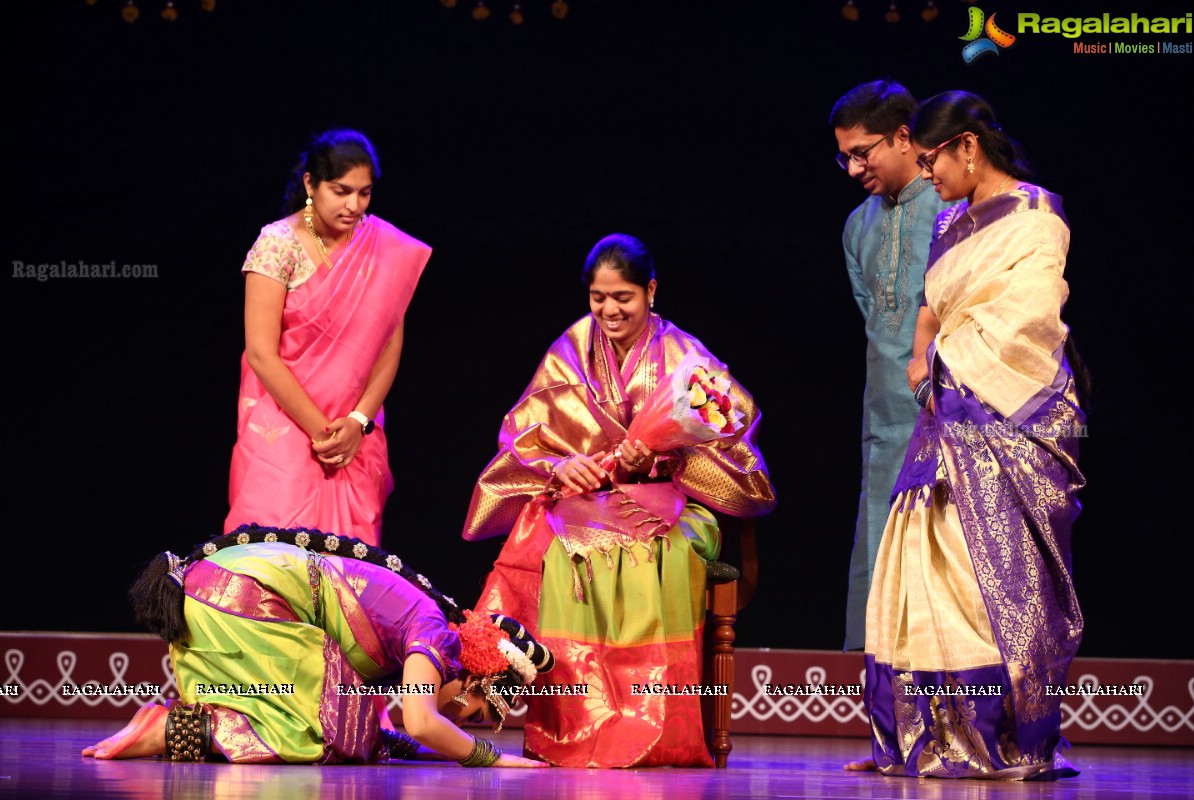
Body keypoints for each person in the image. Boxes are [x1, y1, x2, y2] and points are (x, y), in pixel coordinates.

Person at [462, 233, 776, 768]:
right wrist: (562, 465)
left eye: (623, 298)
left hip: (675, 504)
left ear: (651, 291)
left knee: (656, 554)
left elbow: (731, 439)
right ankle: (572, 718)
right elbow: (524, 432)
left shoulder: (683, 354)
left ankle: (655, 725)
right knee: (556, 545)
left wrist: (659, 459)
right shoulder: (572, 347)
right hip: (590, 501)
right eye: (598, 298)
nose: (609, 310)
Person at [850, 91, 1086, 780]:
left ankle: (995, 736)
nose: (928, 176)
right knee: (920, 568)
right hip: (945, 415)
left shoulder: (1038, 217)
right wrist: (922, 356)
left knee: (990, 583)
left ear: (968, 148)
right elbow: (932, 302)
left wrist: (952, 365)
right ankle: (927, 735)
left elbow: (1030, 320)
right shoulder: (951, 221)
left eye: (932, 161)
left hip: (1014, 417)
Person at [82, 524, 551, 767]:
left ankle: (176, 724)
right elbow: (421, 723)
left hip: (214, 593)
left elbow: (387, 735)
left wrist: (439, 747)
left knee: (350, 733)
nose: (458, 721)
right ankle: (166, 731)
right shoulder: (433, 632)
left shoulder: (425, 640)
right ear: (475, 674)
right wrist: (495, 759)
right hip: (244, 595)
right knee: (319, 737)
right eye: (471, 713)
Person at [226, 130, 430, 547]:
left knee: (350, 570)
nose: (354, 206)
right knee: (274, 556)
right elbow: (262, 354)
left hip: (355, 434)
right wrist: (323, 432)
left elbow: (389, 347)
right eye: (341, 191)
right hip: (283, 426)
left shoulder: (382, 249)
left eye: (364, 193)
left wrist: (357, 423)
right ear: (309, 184)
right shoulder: (277, 245)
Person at [831, 80, 954, 651]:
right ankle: (884, 723)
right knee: (881, 551)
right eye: (844, 156)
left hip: (955, 413)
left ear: (905, 137)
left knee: (948, 563)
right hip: (884, 419)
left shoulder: (953, 205)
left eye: (863, 151)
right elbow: (875, 321)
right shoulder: (857, 227)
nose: (854, 169)